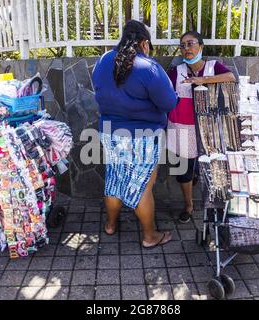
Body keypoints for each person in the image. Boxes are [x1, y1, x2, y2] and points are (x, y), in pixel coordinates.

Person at [92, 20, 178, 248]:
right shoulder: (148, 67)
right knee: (142, 187)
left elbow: (99, 92)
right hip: (144, 137)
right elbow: (169, 102)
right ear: (144, 43)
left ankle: (110, 225)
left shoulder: (102, 62)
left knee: (114, 180)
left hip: (110, 133)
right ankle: (149, 236)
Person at [166, 31, 236, 224]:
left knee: (209, 164)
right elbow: (165, 95)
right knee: (184, 171)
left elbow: (231, 77)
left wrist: (202, 81)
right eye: (183, 45)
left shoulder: (214, 67)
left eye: (191, 44)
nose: (187, 48)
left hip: (209, 128)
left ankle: (214, 200)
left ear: (201, 46)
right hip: (182, 128)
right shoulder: (177, 71)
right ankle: (188, 205)